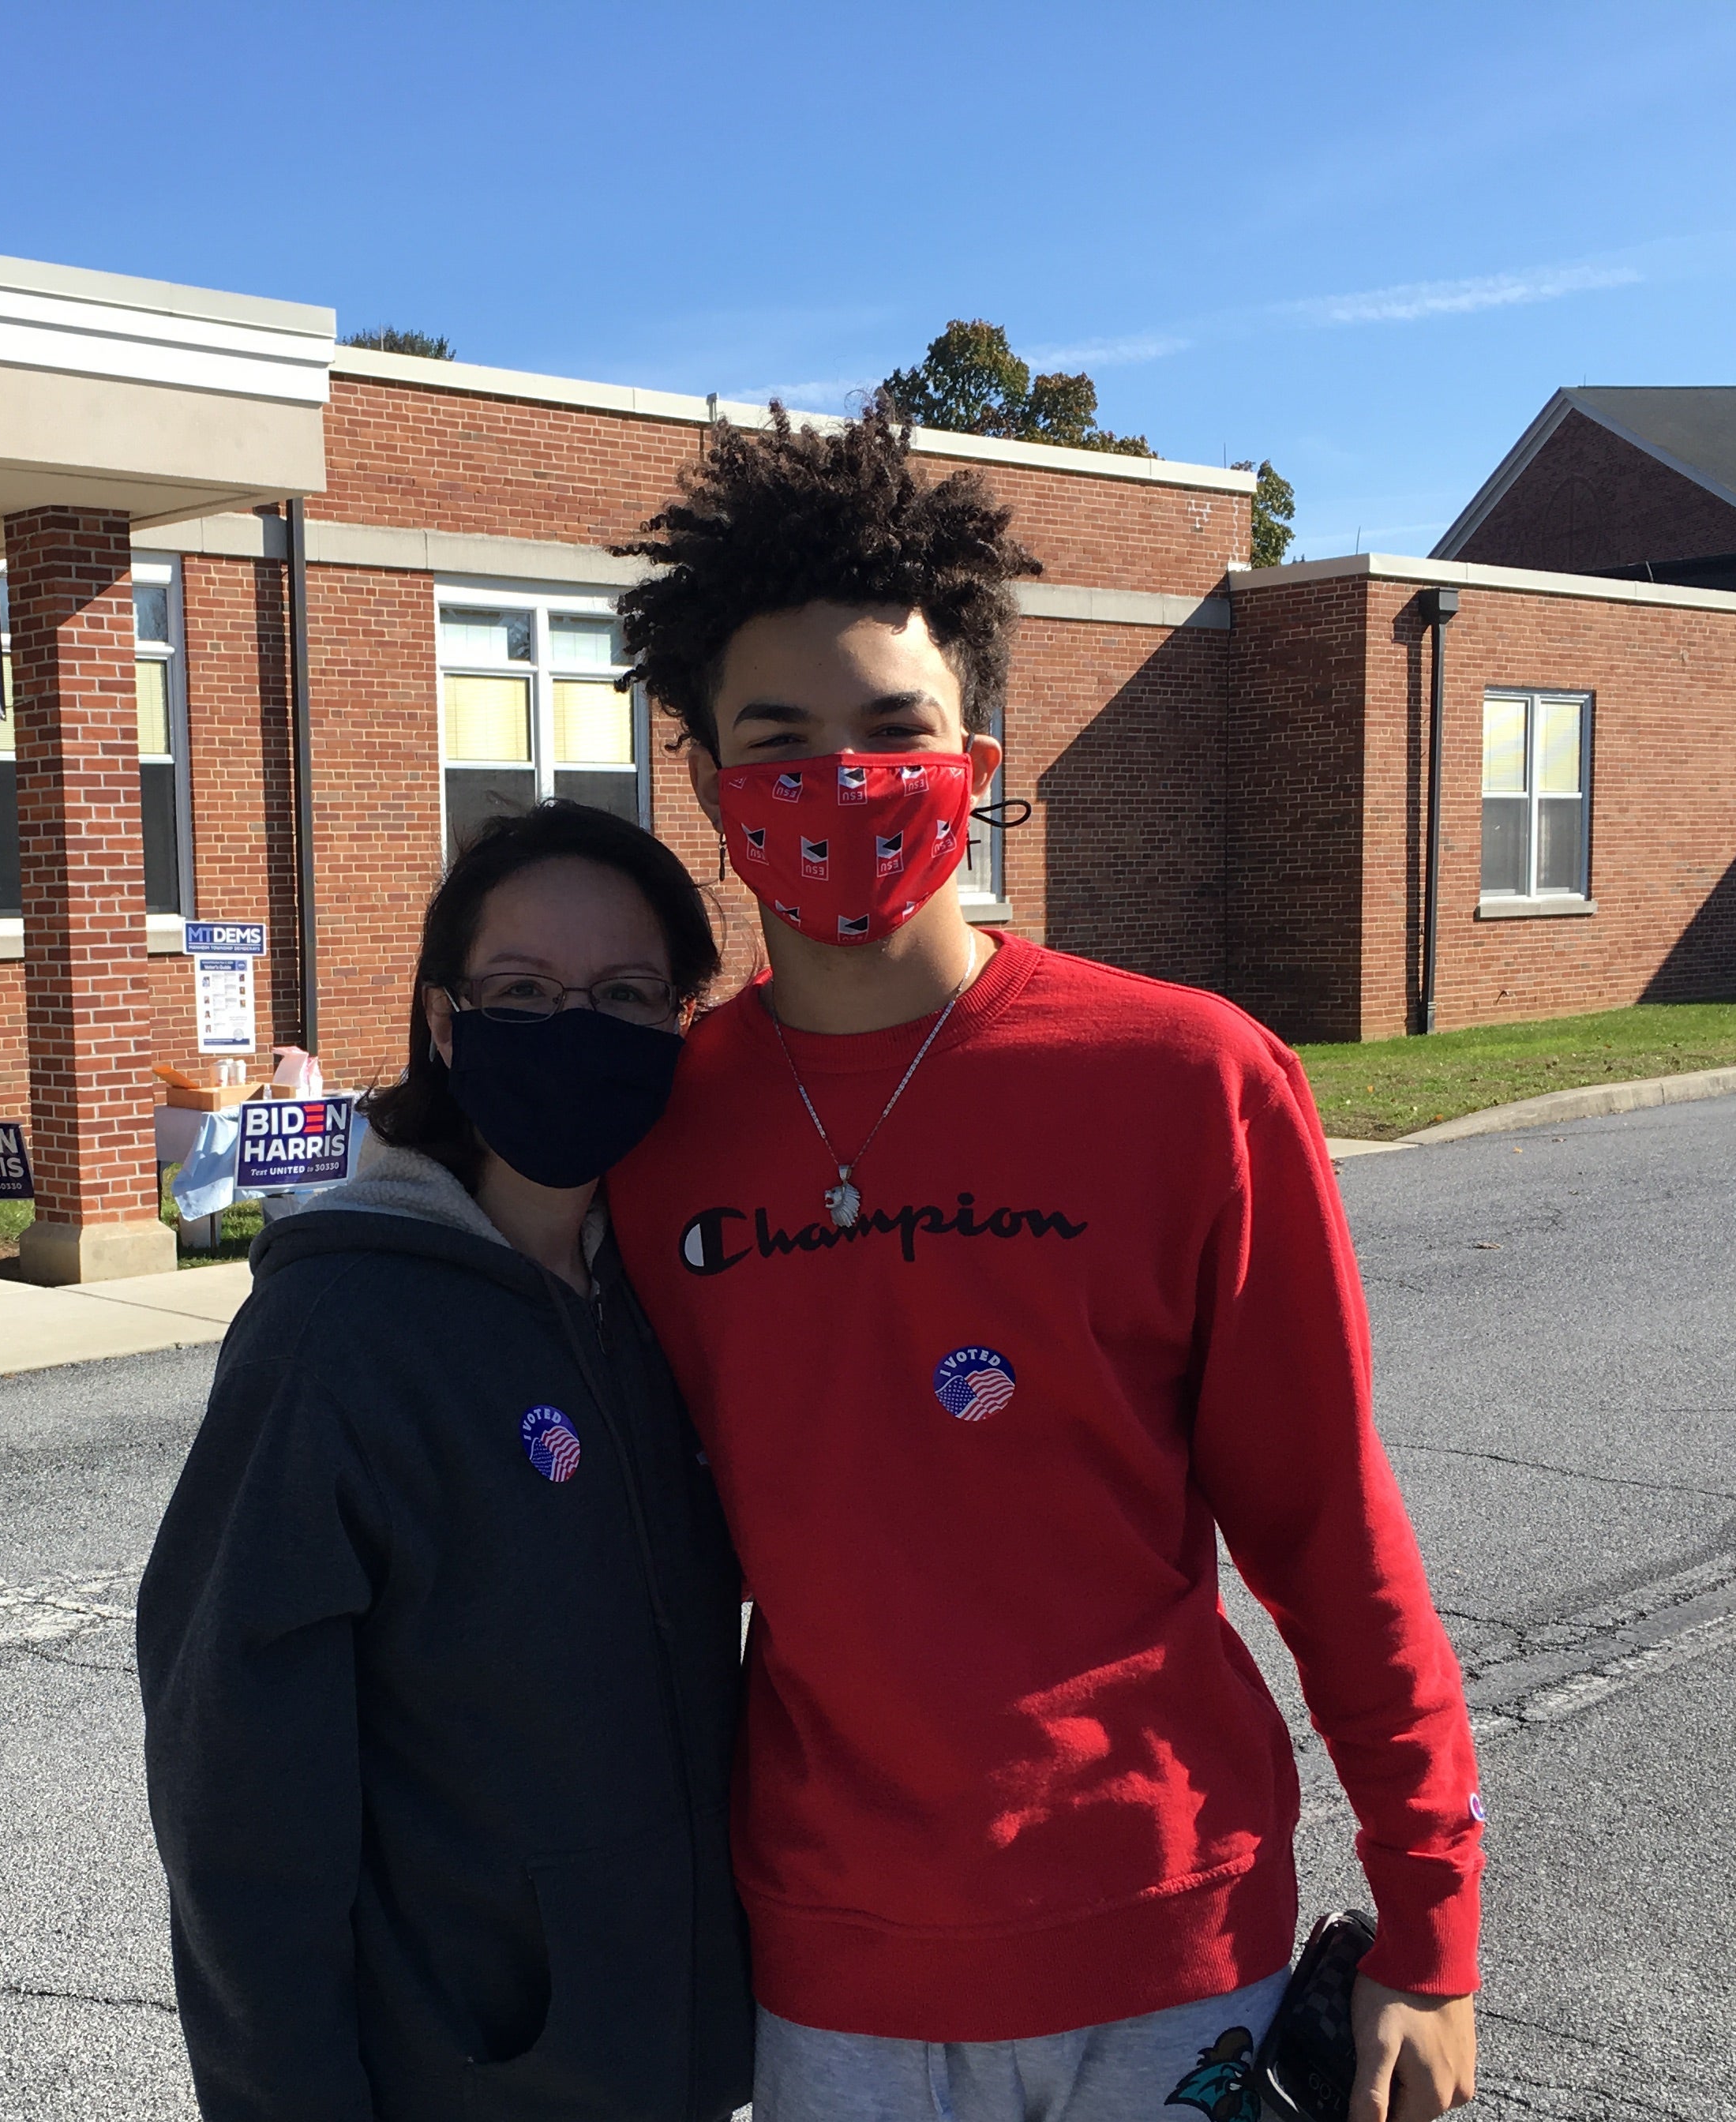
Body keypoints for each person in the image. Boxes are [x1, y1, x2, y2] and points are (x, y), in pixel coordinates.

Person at [602, 406, 1485, 2122]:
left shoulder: (1186, 1082)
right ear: (702, 776)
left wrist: (1432, 1926)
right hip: (825, 1967)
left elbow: (1325, 1524)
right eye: (777, 737)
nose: (838, 778)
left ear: (980, 756)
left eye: (892, 728)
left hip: (1168, 1944)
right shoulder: (659, 1131)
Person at [136, 801, 754, 2122]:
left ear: (676, 1025)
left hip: (677, 2055)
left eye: (627, 993)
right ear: (442, 1021)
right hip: (464, 2075)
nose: (575, 1026)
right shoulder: (336, 1333)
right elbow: (235, 1797)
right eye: (521, 991)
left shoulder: (672, 1295)